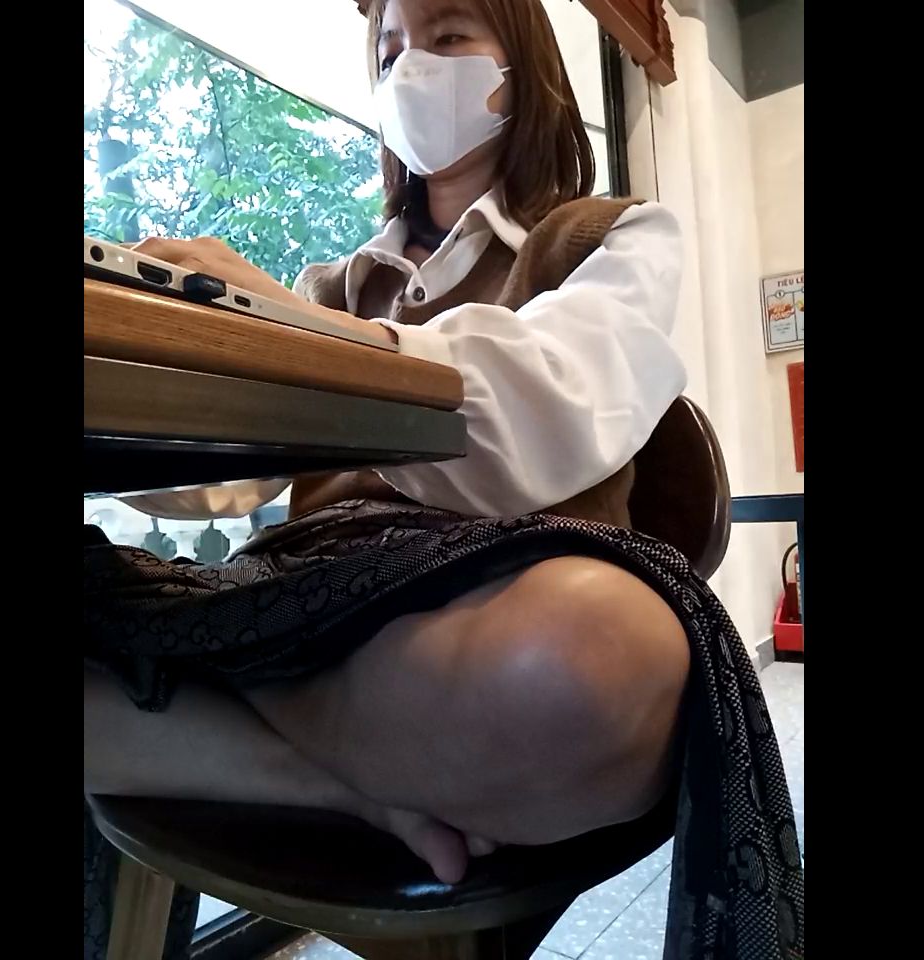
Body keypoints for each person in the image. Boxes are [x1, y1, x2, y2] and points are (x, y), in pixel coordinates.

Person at [84, 2, 803, 958]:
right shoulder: (332, 281)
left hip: (491, 597)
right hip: (301, 591)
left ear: (525, 68)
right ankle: (341, 779)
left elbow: (559, 393)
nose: (411, 67)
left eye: (450, 35)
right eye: (389, 50)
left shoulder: (610, 237)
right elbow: (219, 485)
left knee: (590, 657)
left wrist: (297, 336)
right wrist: (158, 357)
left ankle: (187, 700)